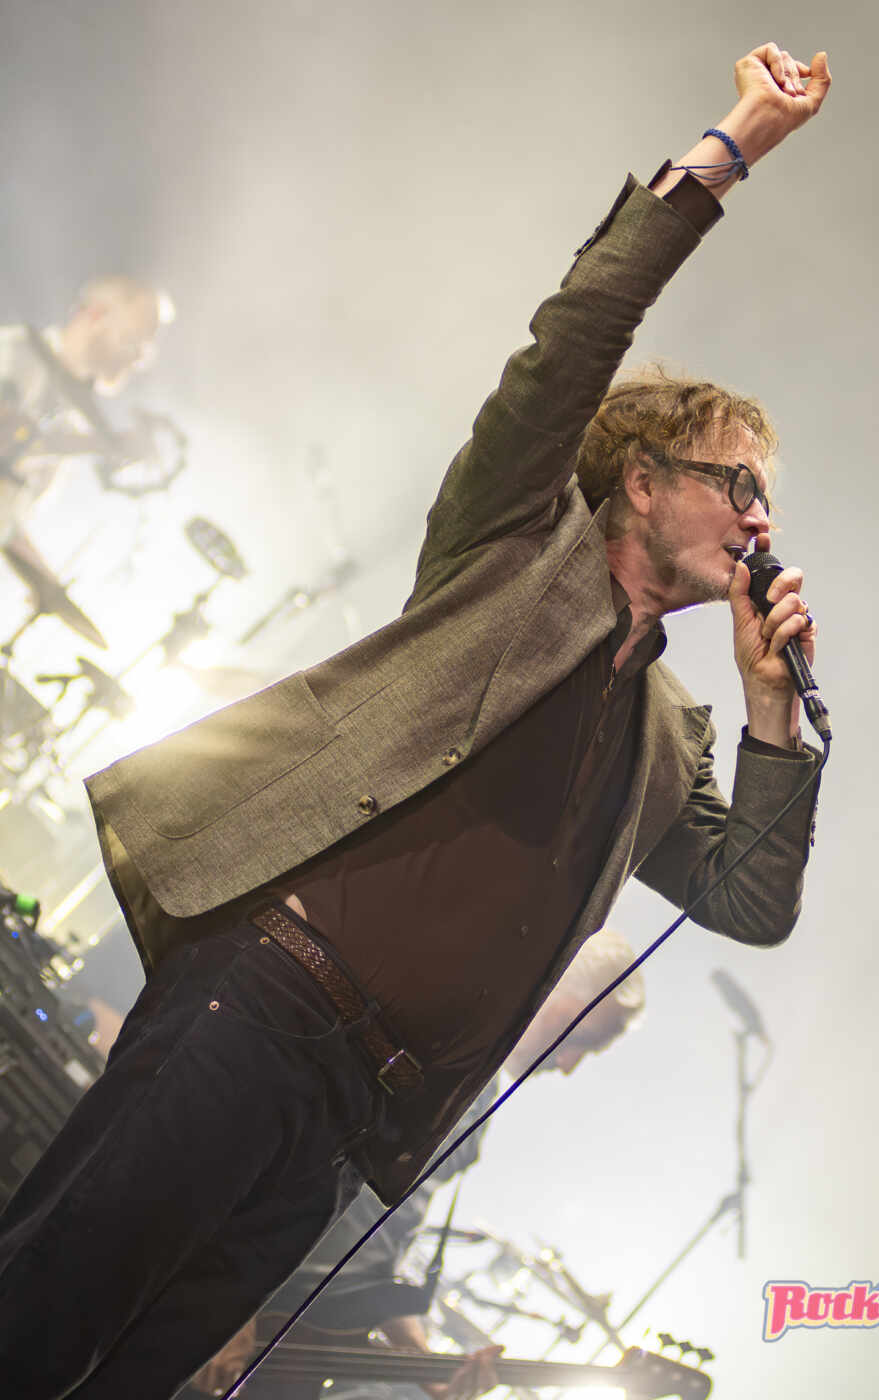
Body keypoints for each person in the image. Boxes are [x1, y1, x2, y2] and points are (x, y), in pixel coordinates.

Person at [0, 41, 831, 1399]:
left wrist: (769, 716)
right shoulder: (514, 552)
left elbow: (750, 898)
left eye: (767, 500)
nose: (759, 519)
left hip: (352, 1118)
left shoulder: (671, 735)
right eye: (735, 484)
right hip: (259, 1002)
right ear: (637, 482)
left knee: (135, 1376)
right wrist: (733, 144)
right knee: (44, 1306)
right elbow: (572, 338)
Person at [189, 928, 645, 1398]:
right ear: (553, 979)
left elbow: (374, 1248)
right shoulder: (432, 1037)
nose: (569, 1064)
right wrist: (232, 1296)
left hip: (281, 1331)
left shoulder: (477, 1101)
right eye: (583, 1038)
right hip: (224, 1292)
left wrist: (426, 1368)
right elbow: (284, 1151)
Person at [0, 273, 173, 571]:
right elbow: (8, 438)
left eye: (144, 351)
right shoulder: (15, 352)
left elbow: (7, 518)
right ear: (94, 315)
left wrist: (48, 585)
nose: (136, 358)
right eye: (131, 340)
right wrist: (106, 444)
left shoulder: (72, 423)